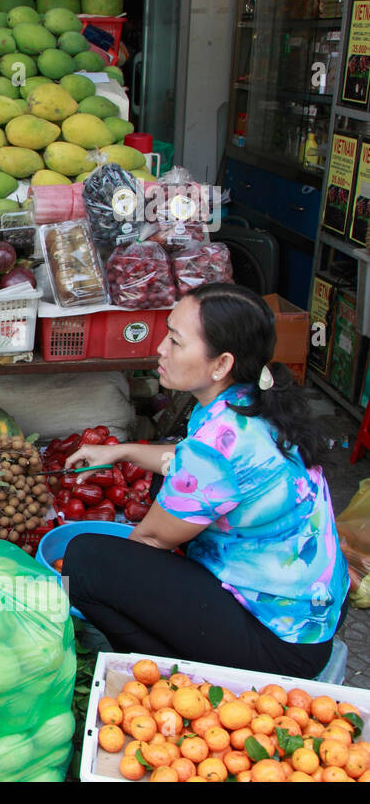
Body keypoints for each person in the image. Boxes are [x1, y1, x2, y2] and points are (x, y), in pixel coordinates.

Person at [62, 283, 349, 678]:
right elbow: (189, 468)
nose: (161, 348)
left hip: (276, 643)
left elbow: (150, 541)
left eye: (176, 342)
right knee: (152, 521)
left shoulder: (218, 443)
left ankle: (169, 677)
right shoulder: (252, 403)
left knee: (84, 562)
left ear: (221, 364)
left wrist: (101, 584)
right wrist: (122, 451)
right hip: (308, 613)